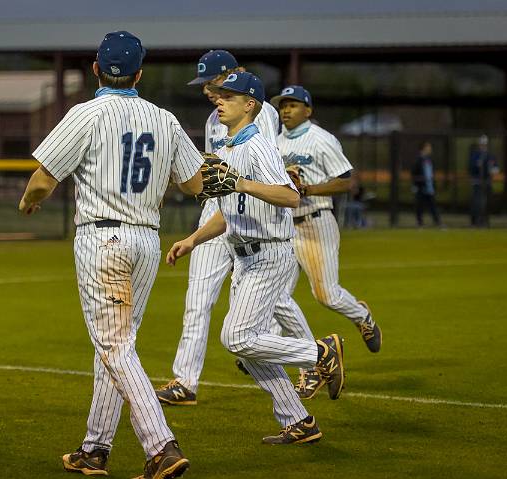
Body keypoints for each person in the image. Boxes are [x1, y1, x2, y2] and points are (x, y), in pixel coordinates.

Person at [18, 31, 203, 479]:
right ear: (140, 73)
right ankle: (95, 448)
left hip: (103, 241)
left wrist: (28, 201)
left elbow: (44, 178)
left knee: (115, 346)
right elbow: (196, 185)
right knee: (117, 347)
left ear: (96, 68)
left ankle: (161, 447)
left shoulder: (86, 113)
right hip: (145, 240)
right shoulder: (164, 117)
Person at [166, 71, 345, 444]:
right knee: (250, 352)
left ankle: (320, 351)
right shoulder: (229, 148)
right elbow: (228, 212)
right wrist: (193, 239)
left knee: (237, 337)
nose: (220, 100)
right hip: (245, 256)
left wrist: (242, 182)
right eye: (220, 96)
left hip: (268, 254)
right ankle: (298, 421)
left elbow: (290, 196)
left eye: (229, 97)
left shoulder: (258, 146)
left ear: (250, 105)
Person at [155, 49, 296, 406]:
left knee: (268, 310)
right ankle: (185, 381)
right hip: (222, 213)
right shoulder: (213, 121)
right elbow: (218, 175)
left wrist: (250, 183)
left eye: (213, 82)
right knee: (198, 298)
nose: (207, 90)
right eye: (204, 84)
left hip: (261, 221)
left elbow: (266, 172)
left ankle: (314, 358)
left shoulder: (256, 119)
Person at [268, 85, 382, 400]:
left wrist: (309, 190)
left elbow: (348, 181)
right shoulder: (274, 142)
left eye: (293, 104)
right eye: (282, 105)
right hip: (284, 230)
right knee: (278, 298)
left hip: (316, 223)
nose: (286, 110)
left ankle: (362, 317)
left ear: (309, 110)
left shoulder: (321, 139)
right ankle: (306, 367)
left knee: (327, 295)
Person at [469, 134, 498, 227]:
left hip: (487, 182)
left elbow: (495, 167)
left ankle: (485, 220)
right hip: (477, 182)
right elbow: (471, 168)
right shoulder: (475, 155)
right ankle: (476, 221)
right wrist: (477, 165)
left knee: (486, 202)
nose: (483, 146)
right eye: (482, 144)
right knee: (477, 202)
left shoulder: (490, 155)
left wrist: (494, 170)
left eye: (484, 144)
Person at [411, 141, 442, 227]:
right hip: (421, 186)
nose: (430, 149)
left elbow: (431, 173)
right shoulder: (418, 160)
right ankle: (420, 222)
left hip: (429, 186)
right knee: (420, 206)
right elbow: (414, 173)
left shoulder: (429, 160)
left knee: (432, 205)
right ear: (424, 148)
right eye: (428, 147)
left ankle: (437, 221)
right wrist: (416, 184)